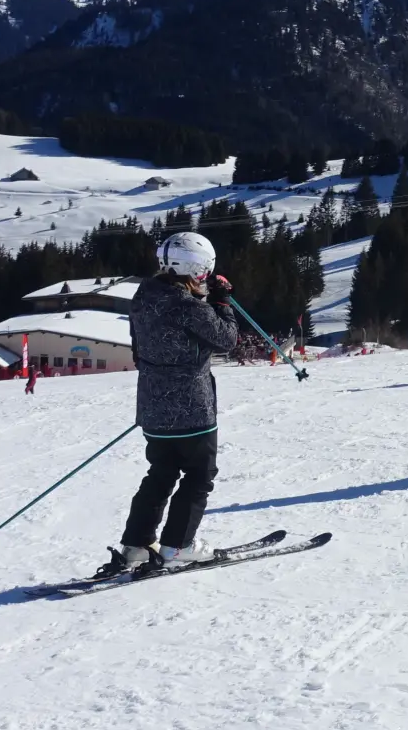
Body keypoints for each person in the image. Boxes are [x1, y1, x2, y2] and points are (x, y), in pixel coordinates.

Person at [109, 231, 240, 575]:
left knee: (161, 473)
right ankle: (177, 546)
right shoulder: (187, 306)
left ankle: (136, 544)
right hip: (192, 409)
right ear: (198, 269)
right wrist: (222, 302)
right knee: (199, 475)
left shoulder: (143, 295)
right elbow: (226, 339)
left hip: (153, 406)